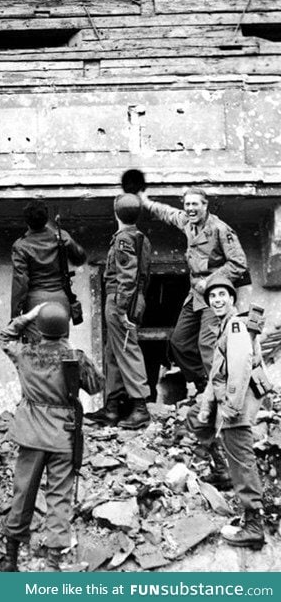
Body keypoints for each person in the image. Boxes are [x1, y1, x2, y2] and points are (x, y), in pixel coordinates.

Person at [0, 301, 88, 572]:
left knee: (23, 494)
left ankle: (11, 560)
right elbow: (95, 386)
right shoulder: (76, 357)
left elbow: (4, 338)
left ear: (40, 327)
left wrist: (28, 316)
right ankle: (52, 565)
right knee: (59, 499)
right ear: (65, 328)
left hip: (31, 436)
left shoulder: (25, 353)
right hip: (64, 436)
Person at [139, 187, 248, 392]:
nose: (190, 208)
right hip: (195, 293)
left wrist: (210, 282)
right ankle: (203, 384)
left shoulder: (220, 229)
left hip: (214, 294)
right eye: (187, 204)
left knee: (207, 344)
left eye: (195, 204)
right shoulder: (188, 222)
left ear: (204, 205)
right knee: (179, 342)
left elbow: (239, 263)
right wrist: (145, 201)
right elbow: (168, 213)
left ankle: (219, 392)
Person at [190, 275, 269, 550]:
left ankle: (254, 525)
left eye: (223, 295)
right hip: (230, 400)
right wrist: (205, 409)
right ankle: (222, 472)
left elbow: (240, 367)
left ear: (232, 299)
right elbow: (216, 374)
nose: (217, 300)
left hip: (237, 402)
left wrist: (231, 408)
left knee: (242, 460)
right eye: (213, 296)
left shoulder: (234, 325)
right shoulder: (226, 324)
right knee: (196, 422)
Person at [86, 194, 152, 430]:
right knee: (113, 350)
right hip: (131, 297)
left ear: (116, 213)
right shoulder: (138, 237)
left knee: (126, 348)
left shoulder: (124, 238)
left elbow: (128, 275)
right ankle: (112, 407)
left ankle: (140, 408)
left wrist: (123, 307)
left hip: (120, 298)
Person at [11, 198, 85, 340]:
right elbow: (80, 258)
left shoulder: (21, 245)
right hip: (61, 300)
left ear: (26, 221)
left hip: (35, 303)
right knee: (60, 347)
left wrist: (14, 316)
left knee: (37, 353)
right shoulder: (61, 236)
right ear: (46, 219)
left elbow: (20, 283)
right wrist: (69, 244)